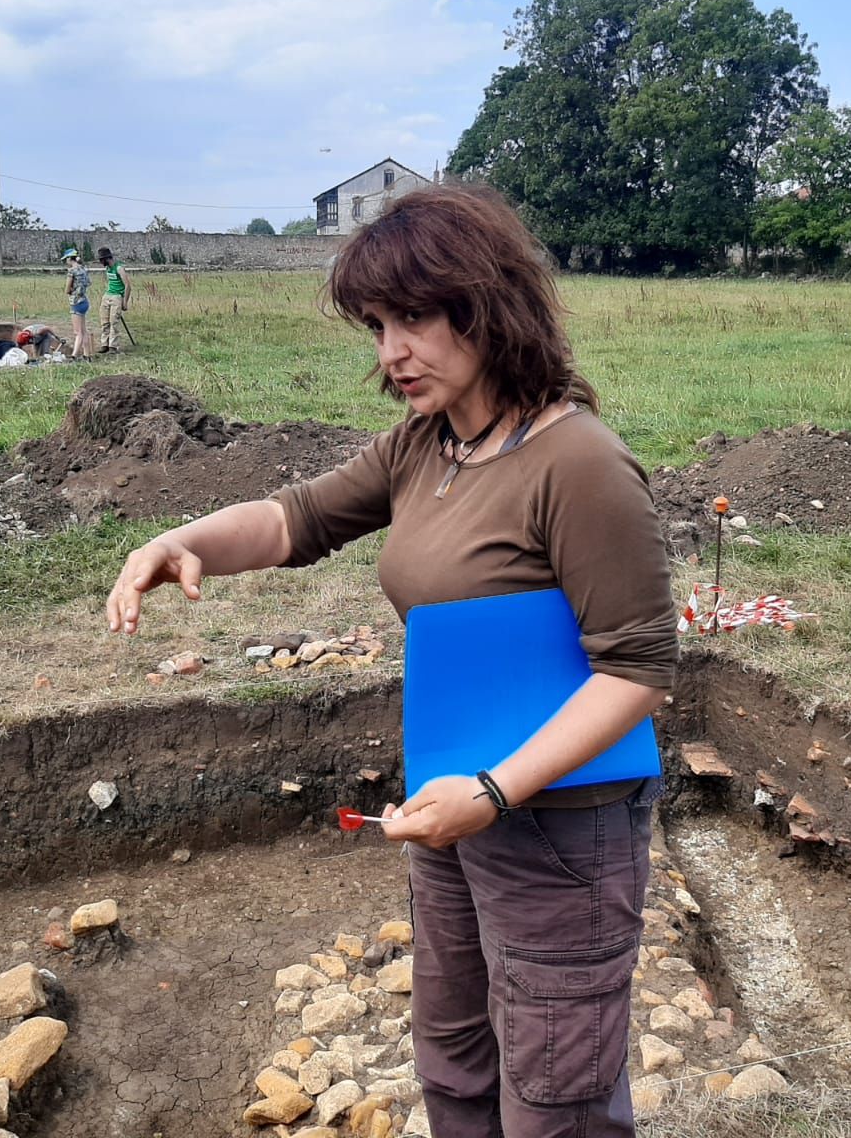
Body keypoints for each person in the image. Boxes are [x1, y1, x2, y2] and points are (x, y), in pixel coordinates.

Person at [105, 185, 677, 1138]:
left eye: (412, 317)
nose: (390, 351)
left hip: (559, 832)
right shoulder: (430, 446)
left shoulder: (578, 464)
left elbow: (637, 670)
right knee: (454, 1056)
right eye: (376, 325)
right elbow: (298, 517)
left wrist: (494, 794)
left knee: (556, 1096)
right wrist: (182, 539)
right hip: (453, 807)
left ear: (487, 305)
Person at [62, 248, 94, 359]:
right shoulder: (84, 269)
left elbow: (67, 290)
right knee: (84, 330)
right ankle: (87, 354)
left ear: (70, 258)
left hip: (75, 302)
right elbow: (89, 283)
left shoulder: (72, 271)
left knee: (78, 332)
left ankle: (74, 355)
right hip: (84, 300)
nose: (66, 261)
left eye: (66, 259)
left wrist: (71, 290)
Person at [97, 246, 131, 352]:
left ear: (107, 259)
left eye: (102, 260)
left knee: (114, 322)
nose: (101, 262)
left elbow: (128, 286)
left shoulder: (119, 268)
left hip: (117, 296)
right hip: (107, 295)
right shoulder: (107, 268)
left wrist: (124, 301)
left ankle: (113, 345)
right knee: (104, 321)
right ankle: (104, 344)